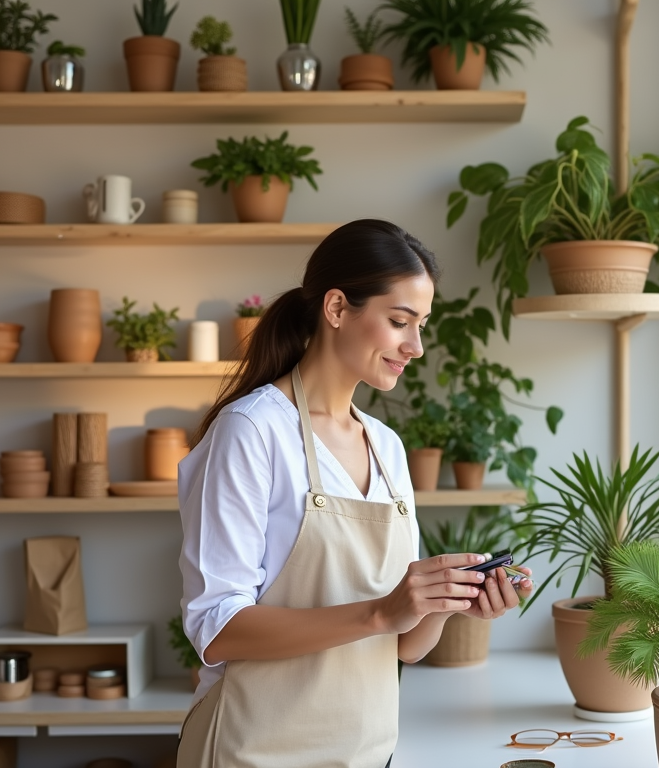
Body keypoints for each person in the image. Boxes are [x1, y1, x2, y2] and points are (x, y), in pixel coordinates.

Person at [176, 220, 533, 768]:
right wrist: (380, 613)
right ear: (338, 308)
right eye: (399, 322)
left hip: (366, 753)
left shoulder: (387, 448)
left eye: (422, 325)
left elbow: (404, 644)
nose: (415, 347)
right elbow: (217, 628)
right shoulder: (252, 430)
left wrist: (447, 603)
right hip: (255, 750)